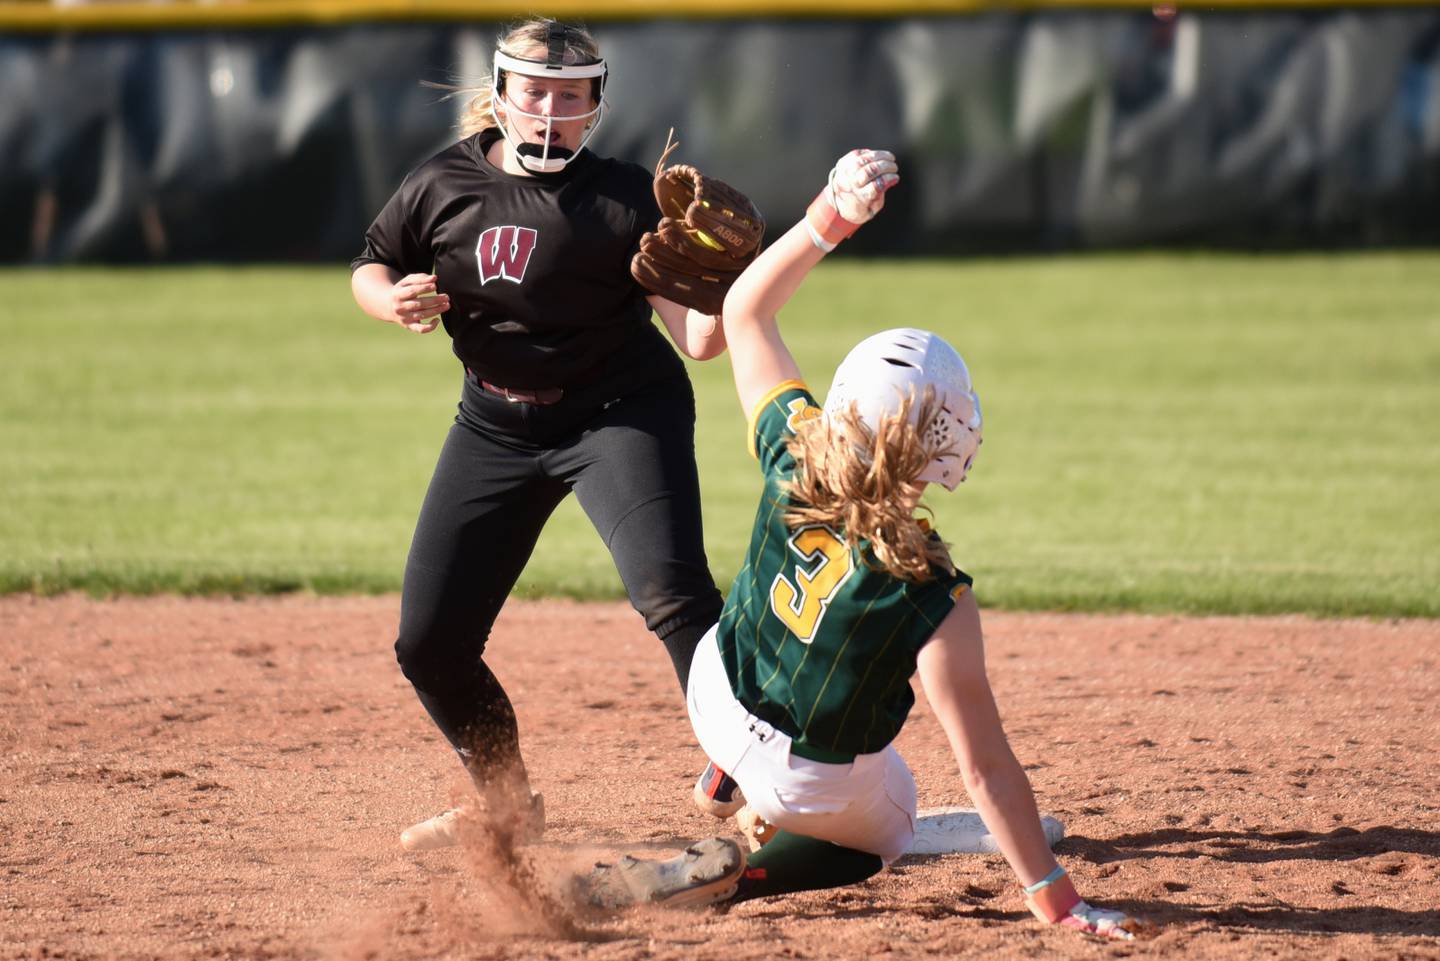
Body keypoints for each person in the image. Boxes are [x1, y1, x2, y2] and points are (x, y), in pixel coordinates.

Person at [582, 149, 1148, 941]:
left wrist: (828, 218)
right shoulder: (930, 585)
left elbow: (743, 312)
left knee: (755, 644)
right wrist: (1059, 896)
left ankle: (723, 771)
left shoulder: (794, 442)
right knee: (895, 823)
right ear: (939, 440)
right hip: (799, 781)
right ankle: (744, 872)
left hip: (713, 691)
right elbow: (984, 767)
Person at [349, 18, 730, 850]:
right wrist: (391, 300)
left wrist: (732, 279)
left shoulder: (626, 196)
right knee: (430, 643)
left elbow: (700, 341)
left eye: (570, 94)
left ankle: (759, 770)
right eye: (534, 91)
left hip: (618, 410)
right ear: (500, 94)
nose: (551, 109)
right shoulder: (442, 182)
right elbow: (372, 263)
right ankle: (506, 806)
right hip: (493, 422)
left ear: (596, 103)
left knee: (673, 595)